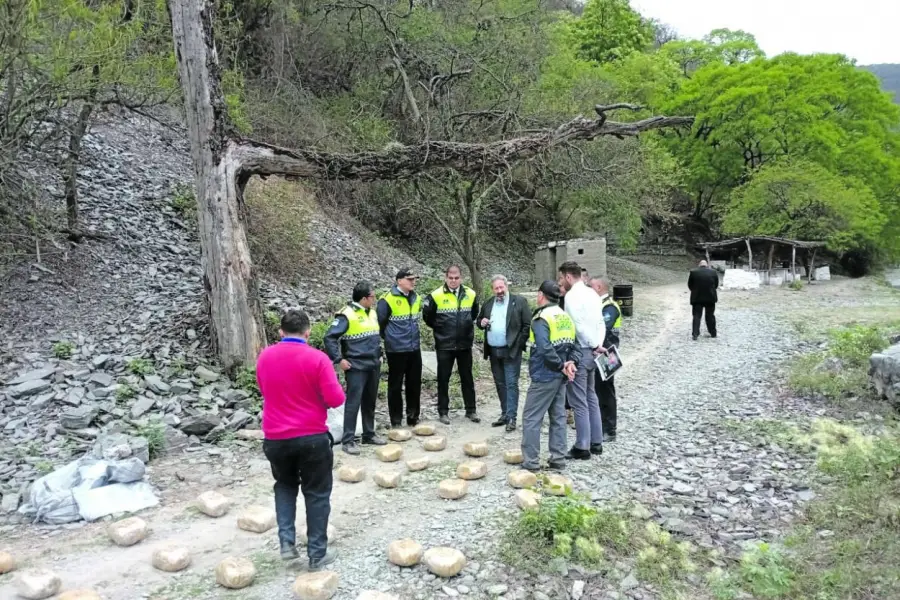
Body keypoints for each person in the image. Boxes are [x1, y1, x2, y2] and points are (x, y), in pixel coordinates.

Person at [256, 310, 344, 570]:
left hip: (275, 437)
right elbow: (336, 399)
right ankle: (317, 554)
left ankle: (287, 543)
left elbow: (263, 389)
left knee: (284, 486)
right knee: (316, 493)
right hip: (311, 437)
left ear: (280, 332)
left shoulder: (265, 356)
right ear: (308, 332)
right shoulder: (318, 359)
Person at [520, 281, 579, 472]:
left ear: (540, 295)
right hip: (561, 377)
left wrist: (561, 366)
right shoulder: (565, 317)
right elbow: (576, 345)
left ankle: (531, 462)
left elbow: (544, 348)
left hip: (544, 374)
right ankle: (558, 459)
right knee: (558, 417)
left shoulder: (541, 318)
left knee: (531, 418)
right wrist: (571, 363)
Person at [324, 281, 388, 454]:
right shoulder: (346, 315)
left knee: (370, 401)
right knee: (353, 402)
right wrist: (339, 359)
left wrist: (380, 354)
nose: (374, 299)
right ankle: (348, 440)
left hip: (373, 364)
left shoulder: (372, 313)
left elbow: (375, 336)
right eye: (372, 296)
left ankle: (369, 434)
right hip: (356, 365)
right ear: (364, 298)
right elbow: (330, 337)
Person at [558, 261, 605, 459]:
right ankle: (597, 441)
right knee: (591, 395)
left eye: (561, 278)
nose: (560, 282)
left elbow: (577, 326)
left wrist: (592, 344)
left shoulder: (571, 296)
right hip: (595, 351)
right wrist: (598, 344)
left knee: (578, 400)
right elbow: (600, 322)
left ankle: (582, 445)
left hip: (581, 350)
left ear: (568, 277)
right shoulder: (592, 293)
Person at [422, 265, 480, 425]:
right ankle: (443, 412)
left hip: (464, 344)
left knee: (467, 377)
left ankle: (471, 410)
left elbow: (474, 313)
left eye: (456, 278)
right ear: (445, 278)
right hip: (444, 344)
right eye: (450, 278)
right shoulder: (435, 295)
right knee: (443, 379)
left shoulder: (471, 294)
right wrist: (441, 329)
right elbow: (427, 317)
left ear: (461, 278)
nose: (453, 281)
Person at [476, 274, 531, 432]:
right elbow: (479, 321)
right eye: (496, 288)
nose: (499, 291)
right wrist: (481, 322)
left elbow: (527, 325)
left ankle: (512, 417)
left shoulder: (519, 301)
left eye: (501, 287)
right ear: (492, 289)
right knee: (500, 383)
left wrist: (518, 345)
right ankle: (505, 414)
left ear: (506, 286)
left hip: (511, 350)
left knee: (511, 383)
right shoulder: (488, 303)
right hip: (494, 350)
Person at [377, 268, 423, 427]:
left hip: (414, 347)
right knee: (395, 385)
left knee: (414, 383)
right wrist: (391, 338)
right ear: (399, 281)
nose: (413, 282)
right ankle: (396, 420)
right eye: (409, 279)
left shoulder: (416, 297)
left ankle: (413, 417)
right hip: (396, 349)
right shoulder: (387, 299)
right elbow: (380, 324)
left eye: (414, 279)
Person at [590, 277, 622, 442]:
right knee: (597, 389)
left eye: (591, 287)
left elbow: (603, 327)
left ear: (599, 287)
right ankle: (600, 425)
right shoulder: (599, 305)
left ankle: (610, 429)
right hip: (600, 353)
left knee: (606, 391)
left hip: (608, 354)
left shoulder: (610, 306)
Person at [688, 260, 719, 340]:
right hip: (710, 297)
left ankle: (695, 334)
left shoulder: (693, 272)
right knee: (710, 316)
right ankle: (713, 333)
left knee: (696, 316)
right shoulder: (713, 272)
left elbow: (690, 285)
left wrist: (695, 291)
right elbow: (716, 285)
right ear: (707, 265)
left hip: (697, 298)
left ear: (699, 265)